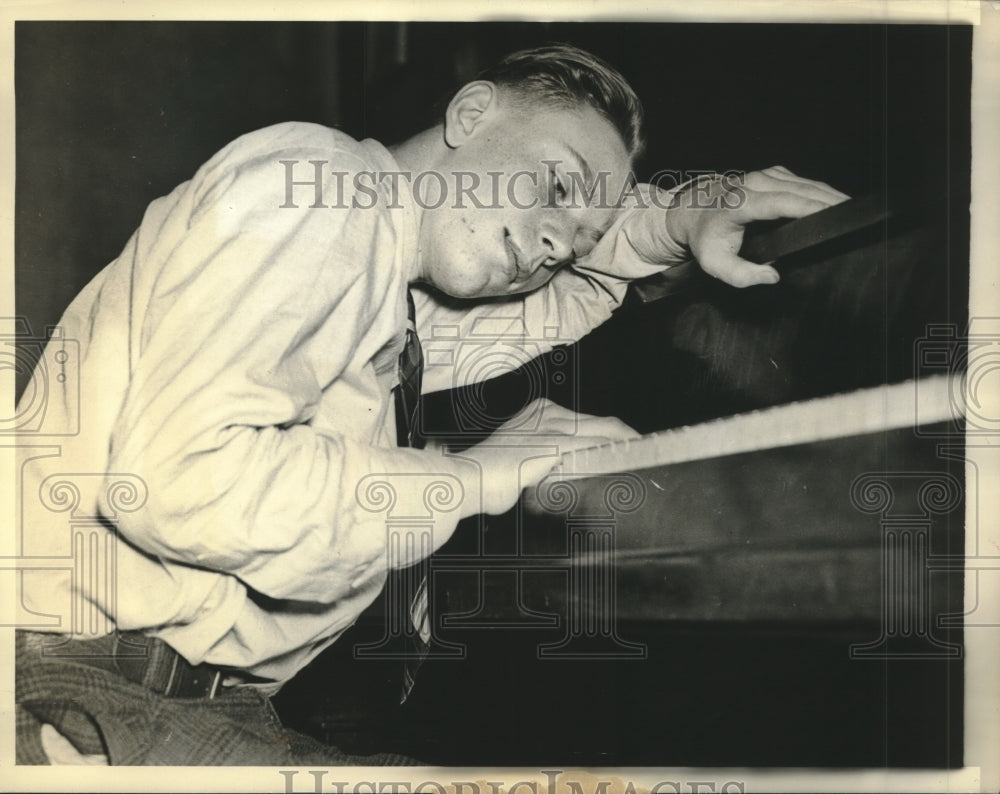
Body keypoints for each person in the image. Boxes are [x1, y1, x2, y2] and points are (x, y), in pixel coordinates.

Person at [13, 44, 847, 765]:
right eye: (555, 183)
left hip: (159, 693)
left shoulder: (379, 275)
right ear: (471, 111)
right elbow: (178, 479)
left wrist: (680, 215)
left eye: (577, 239)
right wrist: (471, 476)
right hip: (82, 691)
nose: (558, 243)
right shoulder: (319, 192)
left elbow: (575, 281)